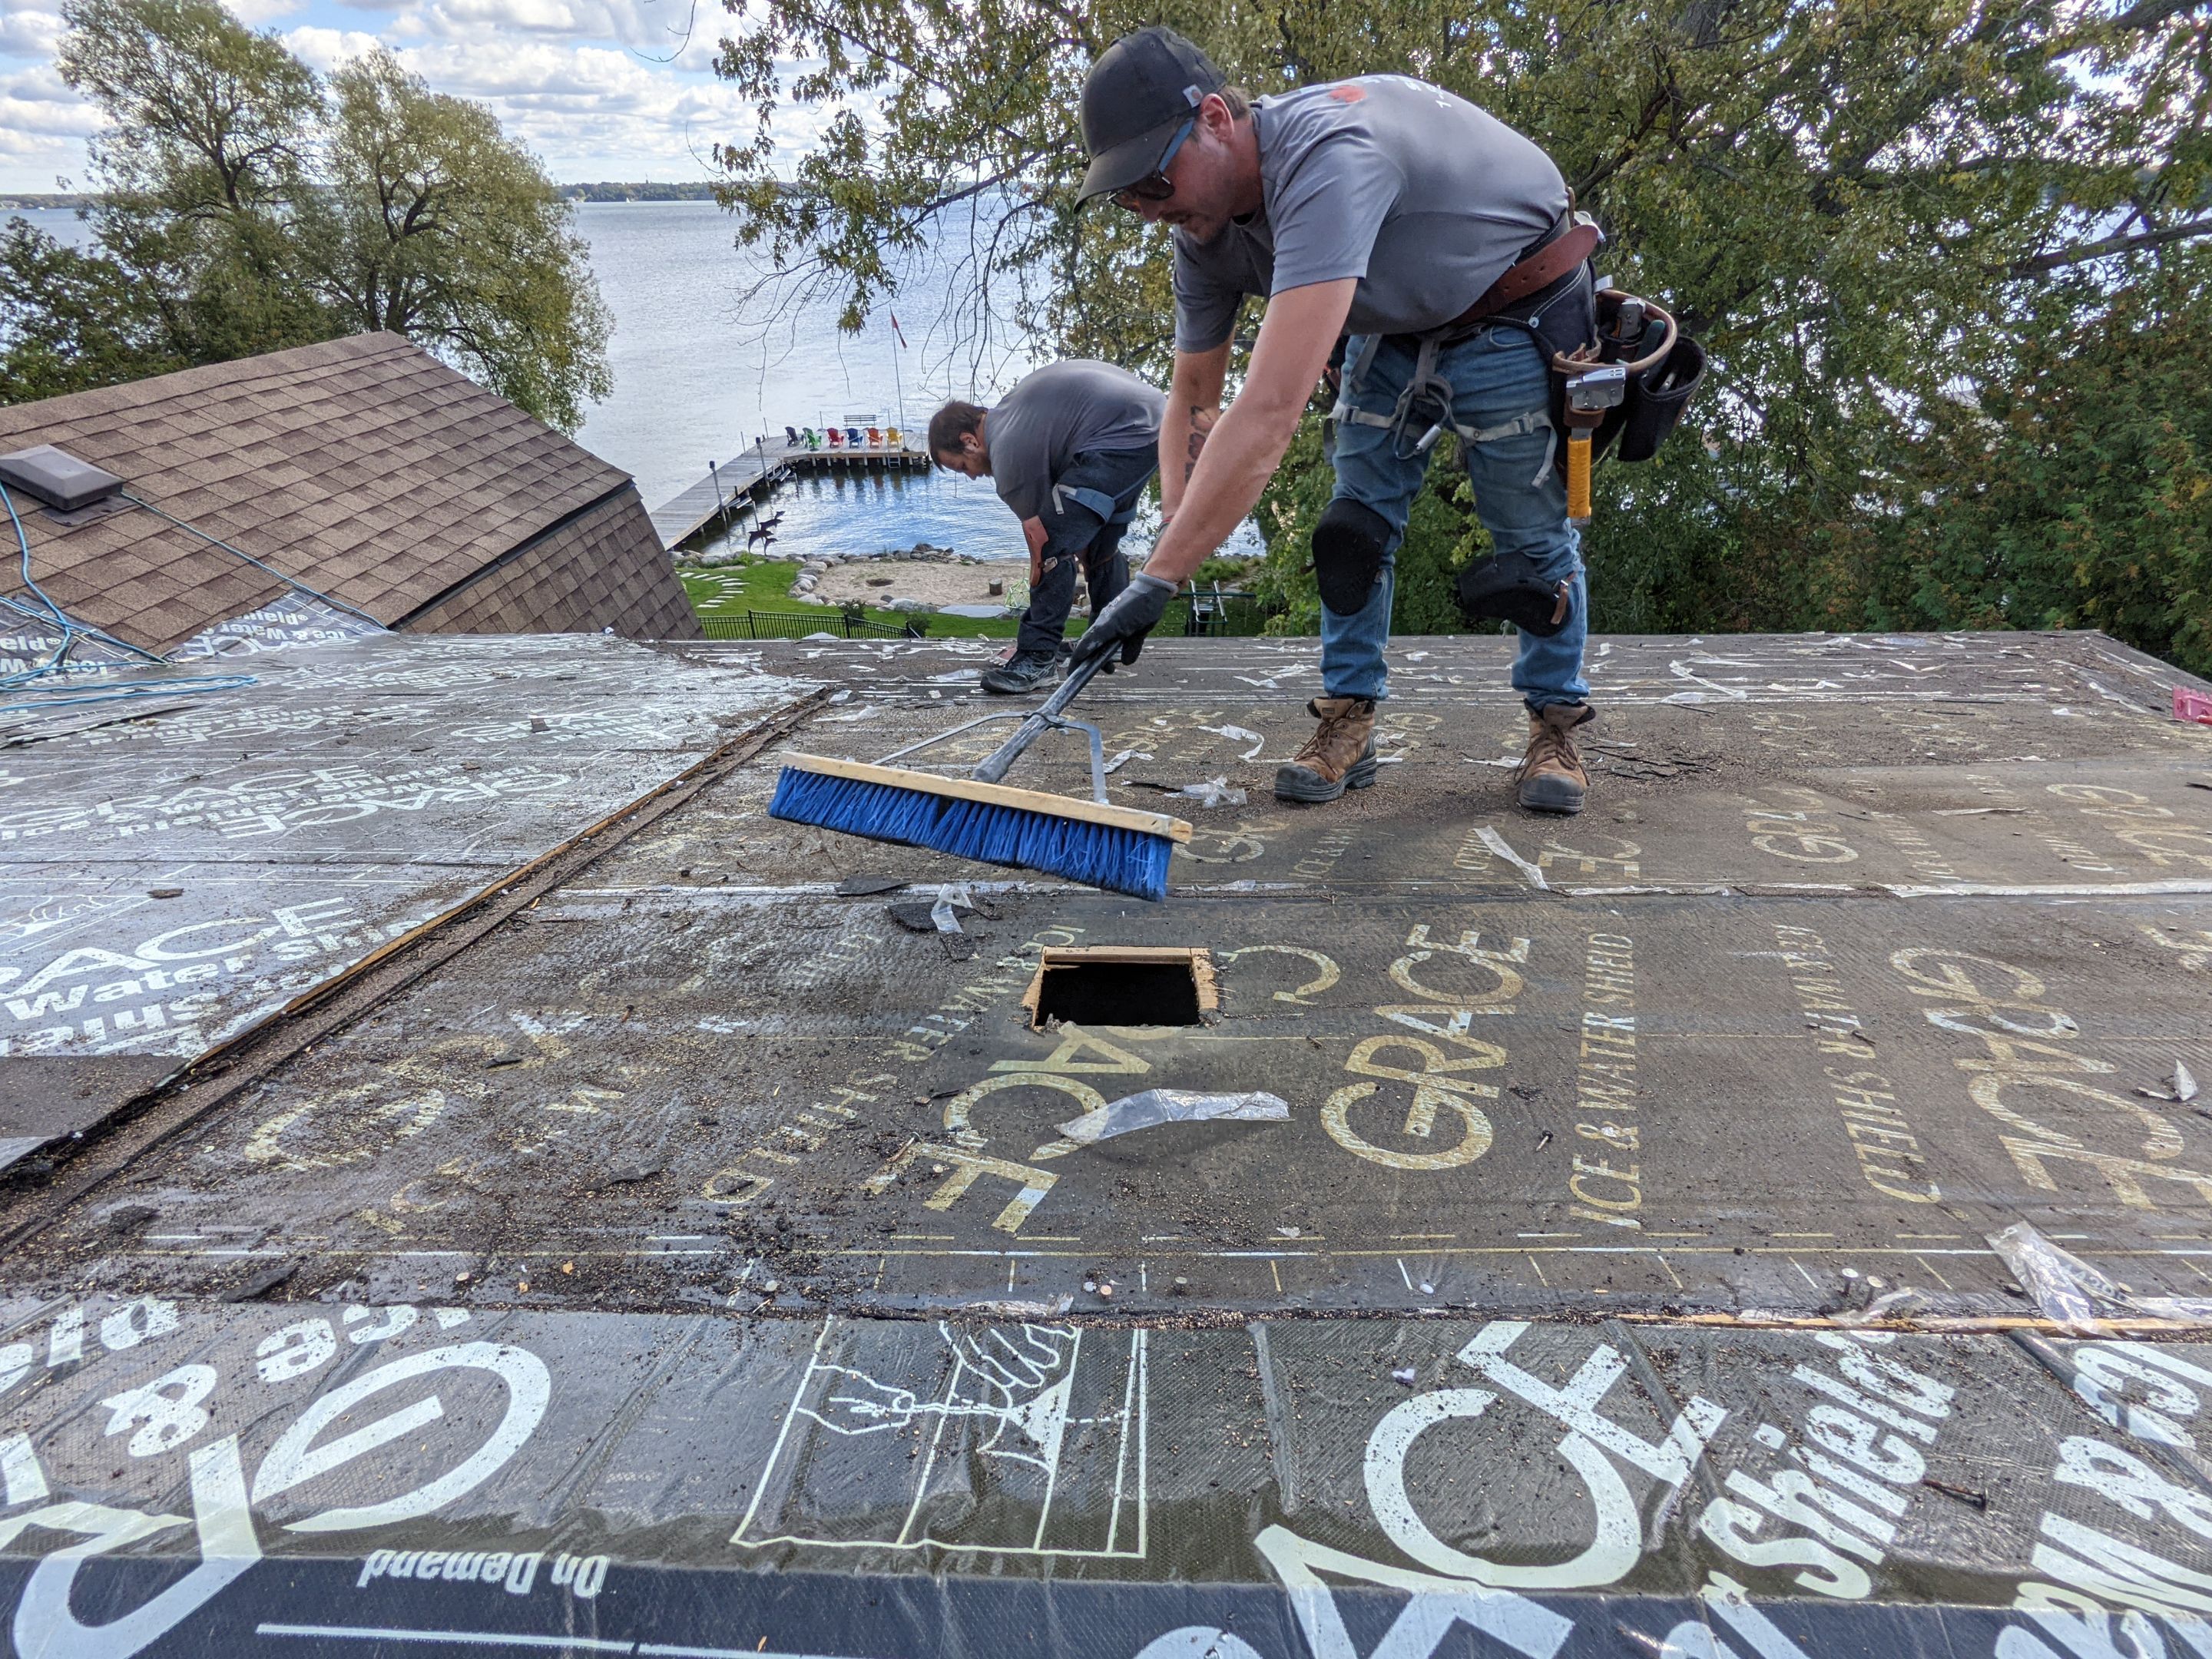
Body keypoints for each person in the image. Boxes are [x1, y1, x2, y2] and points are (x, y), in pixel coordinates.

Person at [1068, 28, 1601, 814]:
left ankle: (1556, 725)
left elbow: (1269, 412)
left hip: (1514, 306)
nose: (1148, 210)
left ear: (1215, 117)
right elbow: (1195, 400)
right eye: (1127, 197)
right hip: (1389, 324)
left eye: (1151, 180)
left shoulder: (1328, 160)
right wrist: (1171, 538)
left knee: (1531, 540)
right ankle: (1347, 725)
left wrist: (1160, 577)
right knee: (1349, 533)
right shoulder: (1202, 235)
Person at [928, 359, 1165, 695]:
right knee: (1101, 548)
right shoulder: (1013, 414)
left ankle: (1037, 659)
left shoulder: (1007, 454)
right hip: (1152, 426)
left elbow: (1043, 544)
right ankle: (1106, 640)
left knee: (1051, 544)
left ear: (970, 441)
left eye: (962, 466)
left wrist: (1035, 638)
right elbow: (1079, 536)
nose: (971, 475)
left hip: (1117, 437)